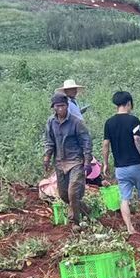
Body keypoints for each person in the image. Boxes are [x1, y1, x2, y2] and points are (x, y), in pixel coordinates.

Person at [102, 90, 140, 234]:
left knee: (124, 198)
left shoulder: (109, 123)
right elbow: (137, 140)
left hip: (120, 168)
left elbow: (105, 144)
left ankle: (129, 228)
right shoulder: (133, 120)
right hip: (136, 165)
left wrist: (106, 163)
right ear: (128, 103)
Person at [43, 93, 94, 225]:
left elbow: (86, 142)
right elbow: (49, 141)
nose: (60, 109)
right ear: (53, 107)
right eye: (57, 106)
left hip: (75, 161)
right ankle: (85, 209)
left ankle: (74, 222)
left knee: (73, 192)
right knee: (64, 195)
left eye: (63, 106)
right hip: (60, 162)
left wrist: (87, 161)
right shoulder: (51, 122)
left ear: (67, 106)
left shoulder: (76, 122)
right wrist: (47, 158)